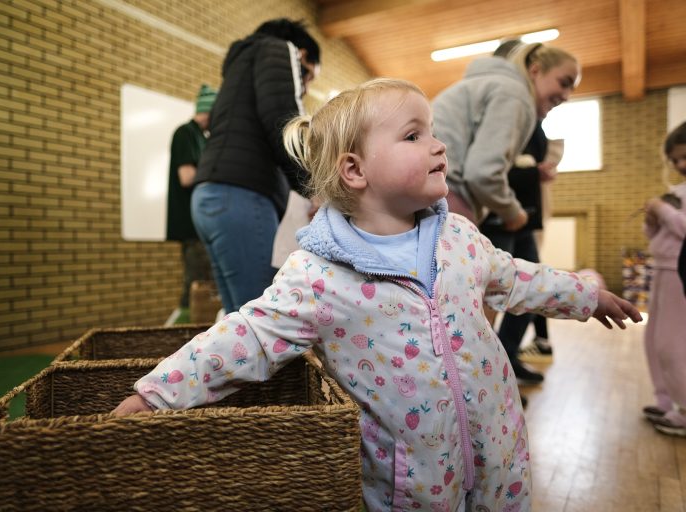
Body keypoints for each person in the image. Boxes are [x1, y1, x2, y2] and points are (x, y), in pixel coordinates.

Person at [114, 78, 641, 510]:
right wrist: (158, 394)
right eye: (414, 135)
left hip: (499, 453)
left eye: (433, 132)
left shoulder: (458, 237)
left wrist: (585, 295)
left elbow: (516, 277)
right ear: (354, 169)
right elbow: (248, 335)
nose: (439, 145)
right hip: (410, 486)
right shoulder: (319, 276)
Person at [434, 41, 579, 383]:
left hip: (445, 188)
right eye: (564, 82)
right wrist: (513, 212)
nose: (566, 94)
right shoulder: (514, 94)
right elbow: (483, 172)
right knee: (471, 304)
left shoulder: (488, 85)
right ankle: (475, 387)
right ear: (535, 70)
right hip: (449, 190)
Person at [191, 18, 320, 315]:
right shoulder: (280, 49)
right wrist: (314, 187)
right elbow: (285, 124)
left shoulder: (240, 68)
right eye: (309, 76)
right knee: (261, 316)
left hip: (209, 196)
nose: (306, 87)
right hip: (241, 197)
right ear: (301, 55)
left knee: (236, 316)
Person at [642, 120, 686, 437]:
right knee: (653, 340)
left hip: (678, 273)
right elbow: (654, 236)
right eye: (675, 159)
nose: (680, 165)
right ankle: (666, 401)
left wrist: (664, 210)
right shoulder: (677, 192)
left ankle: (684, 410)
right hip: (661, 270)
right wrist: (652, 219)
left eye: (685, 156)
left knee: (671, 343)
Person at [165, 84, 218, 324]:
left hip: (202, 223)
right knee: (195, 285)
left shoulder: (203, 137)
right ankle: (177, 330)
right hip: (190, 224)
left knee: (205, 282)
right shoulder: (185, 133)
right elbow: (186, 177)